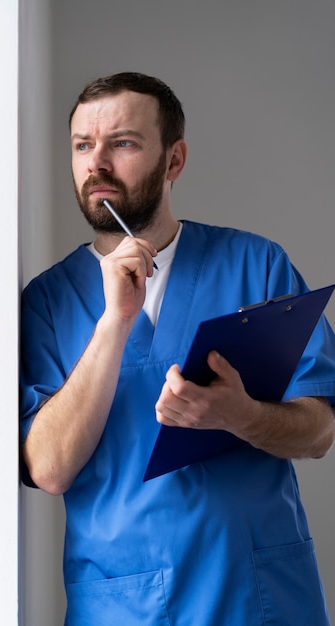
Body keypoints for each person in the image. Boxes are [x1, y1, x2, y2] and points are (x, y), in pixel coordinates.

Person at [20, 72, 335, 625]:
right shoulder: (48, 301)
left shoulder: (256, 267)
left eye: (122, 143)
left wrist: (243, 416)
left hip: (253, 599)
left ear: (174, 160)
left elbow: (320, 429)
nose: (97, 164)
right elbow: (47, 467)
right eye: (82, 146)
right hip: (125, 606)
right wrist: (114, 322)